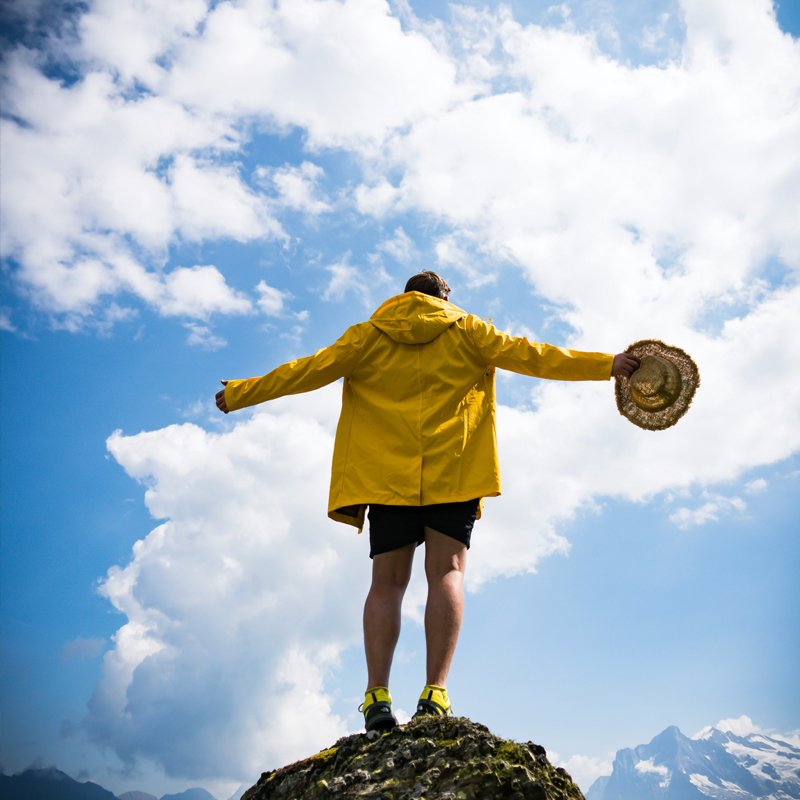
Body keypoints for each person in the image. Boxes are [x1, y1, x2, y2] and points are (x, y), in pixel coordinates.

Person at [215, 271, 640, 734]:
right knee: (447, 572)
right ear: (444, 297)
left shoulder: (368, 335)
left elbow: (308, 369)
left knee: (387, 584)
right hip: (453, 471)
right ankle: (434, 694)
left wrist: (242, 392)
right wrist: (607, 364)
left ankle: (377, 696)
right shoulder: (469, 330)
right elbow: (534, 356)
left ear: (403, 298)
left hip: (386, 478)